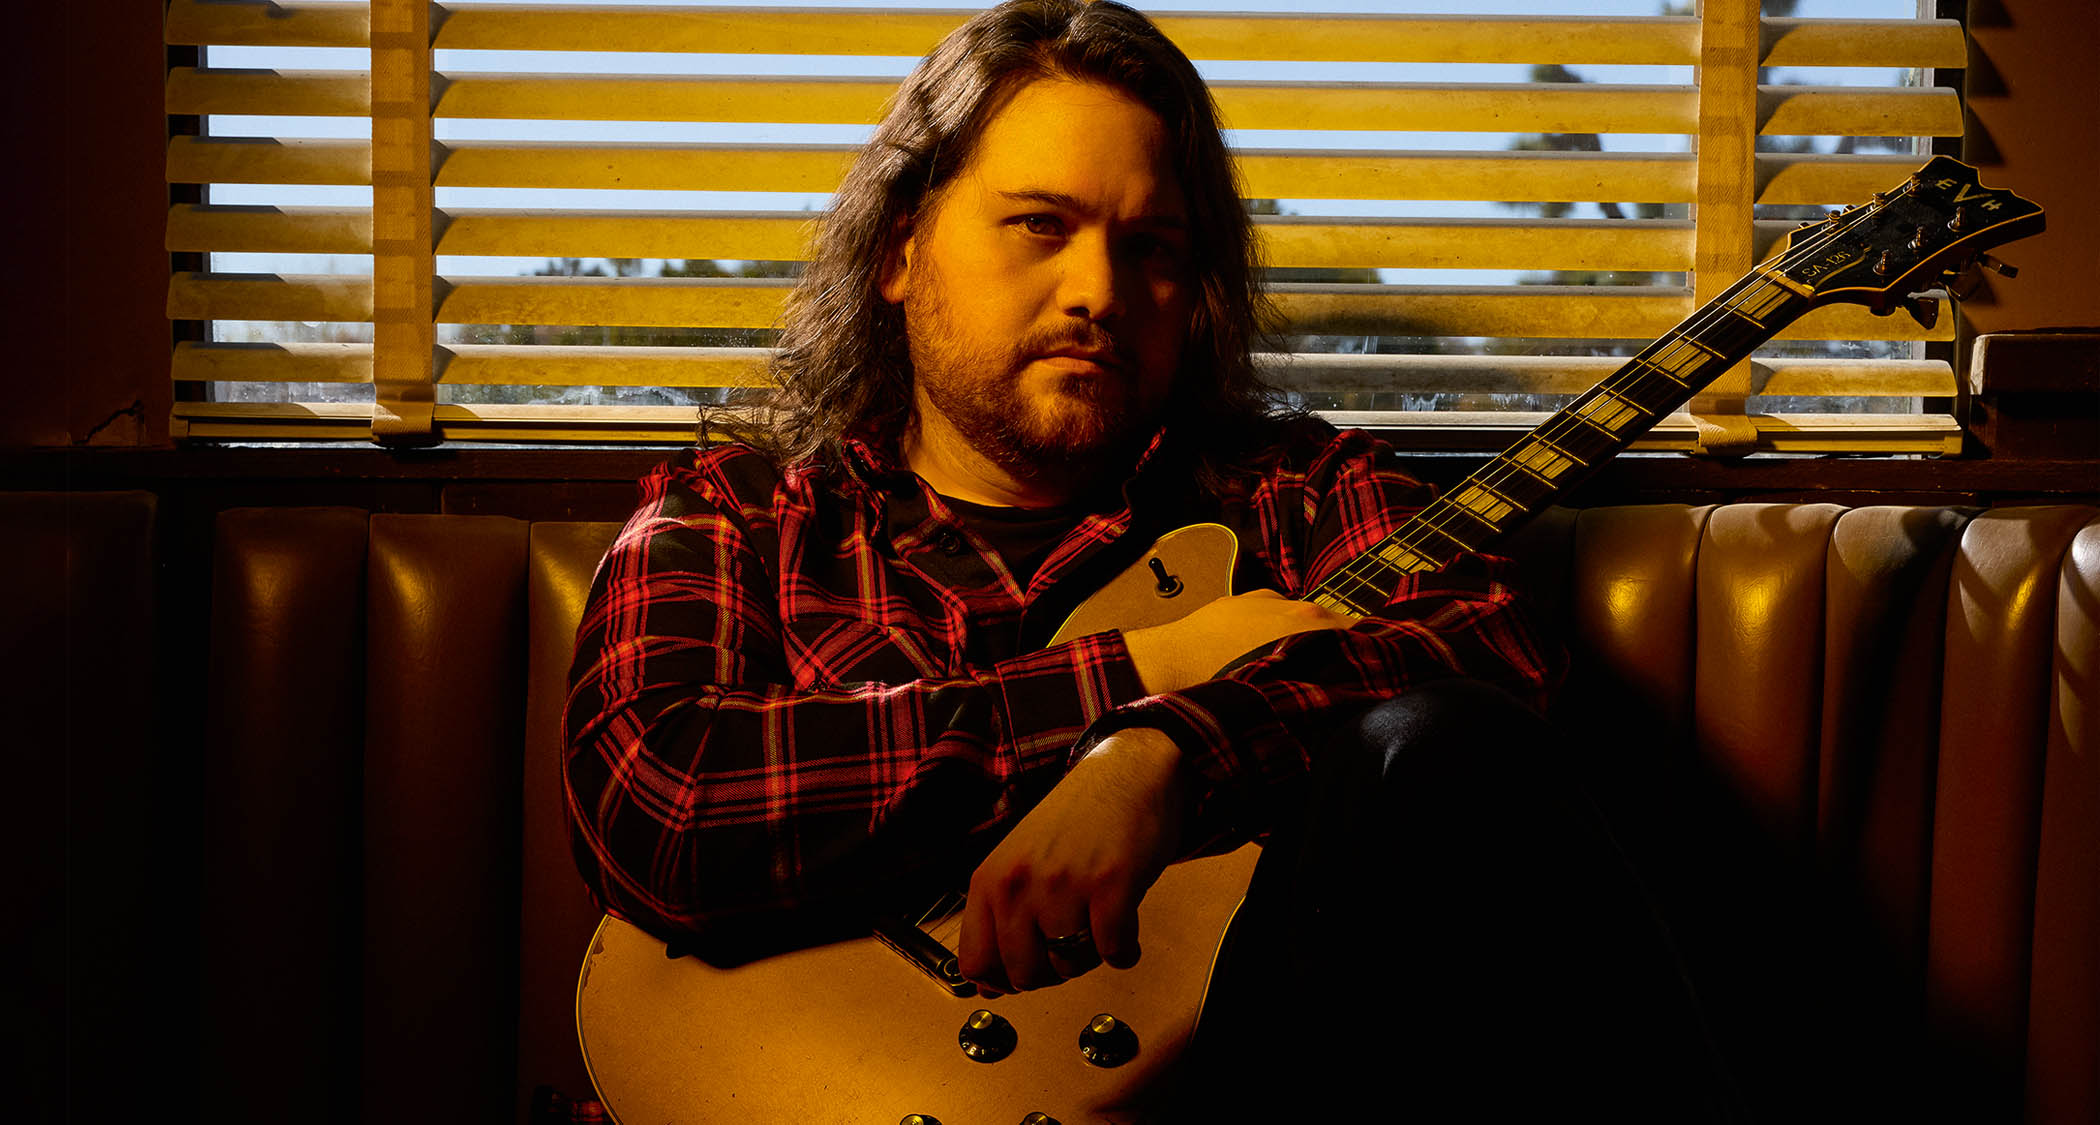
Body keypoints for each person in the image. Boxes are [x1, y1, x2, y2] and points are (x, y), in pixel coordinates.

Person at [565, 1, 1735, 1117]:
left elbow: (1488, 653)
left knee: (1445, 743)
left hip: (1244, 1091)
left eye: (1154, 246)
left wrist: (1171, 754)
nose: (1098, 293)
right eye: (1040, 224)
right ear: (900, 249)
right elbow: (662, 795)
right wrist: (1146, 670)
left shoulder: (1296, 494)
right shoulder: (739, 516)